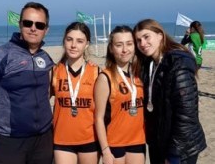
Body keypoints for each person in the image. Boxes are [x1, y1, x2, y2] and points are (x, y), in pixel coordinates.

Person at [0, 2, 54, 164]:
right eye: (27, 23)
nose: (33, 28)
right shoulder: (0, 55)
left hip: (44, 139)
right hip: (10, 140)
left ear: (46, 30)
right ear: (20, 25)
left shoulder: (46, 59)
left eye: (39, 25)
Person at [133, 19, 207, 164]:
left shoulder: (177, 62)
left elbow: (186, 114)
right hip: (159, 141)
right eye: (138, 40)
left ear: (160, 35)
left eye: (147, 37)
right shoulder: (149, 63)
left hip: (181, 146)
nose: (142, 43)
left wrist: (174, 154)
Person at [94, 25, 146, 164]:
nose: (124, 50)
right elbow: (98, 118)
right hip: (114, 143)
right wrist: (105, 150)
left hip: (138, 140)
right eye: (119, 45)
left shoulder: (140, 74)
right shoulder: (105, 77)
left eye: (129, 44)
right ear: (111, 48)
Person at [51, 21, 100, 164]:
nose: (73, 45)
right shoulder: (54, 71)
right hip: (62, 139)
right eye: (69, 39)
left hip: (90, 138)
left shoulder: (97, 72)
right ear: (64, 41)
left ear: (87, 44)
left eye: (79, 41)